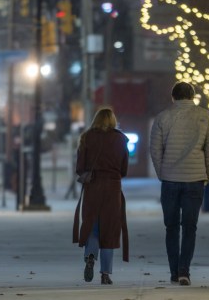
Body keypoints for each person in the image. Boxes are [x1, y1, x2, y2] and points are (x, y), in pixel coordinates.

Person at [150, 82, 209, 286]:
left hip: (170, 180)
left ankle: (173, 272)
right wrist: (208, 174)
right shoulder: (205, 116)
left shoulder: (163, 117)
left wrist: (162, 172)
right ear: (192, 96)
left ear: (173, 97)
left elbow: (155, 150)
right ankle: (184, 272)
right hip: (195, 179)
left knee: (171, 227)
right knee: (190, 227)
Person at [72, 108, 129, 285]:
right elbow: (124, 168)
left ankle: (90, 255)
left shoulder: (86, 137)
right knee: (109, 231)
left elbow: (80, 167)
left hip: (93, 187)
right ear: (113, 120)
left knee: (92, 226)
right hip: (112, 189)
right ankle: (105, 273)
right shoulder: (120, 139)